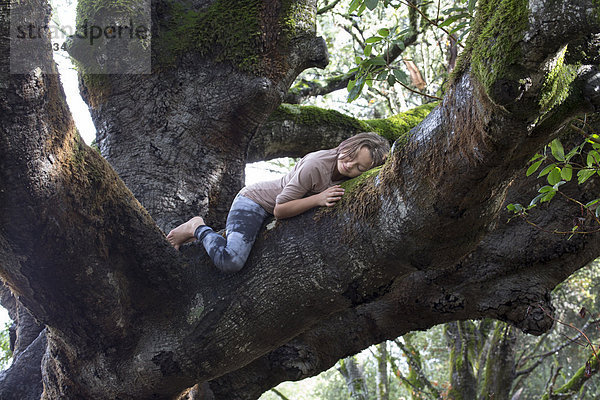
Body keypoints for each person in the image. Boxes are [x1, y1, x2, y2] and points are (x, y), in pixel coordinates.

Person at [167, 132, 390, 273]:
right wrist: (318, 199)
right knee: (231, 260)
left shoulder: (348, 176)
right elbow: (280, 209)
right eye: (350, 157)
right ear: (346, 146)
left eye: (360, 168)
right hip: (254, 202)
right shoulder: (316, 165)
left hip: (274, 210)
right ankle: (196, 226)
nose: (350, 166)